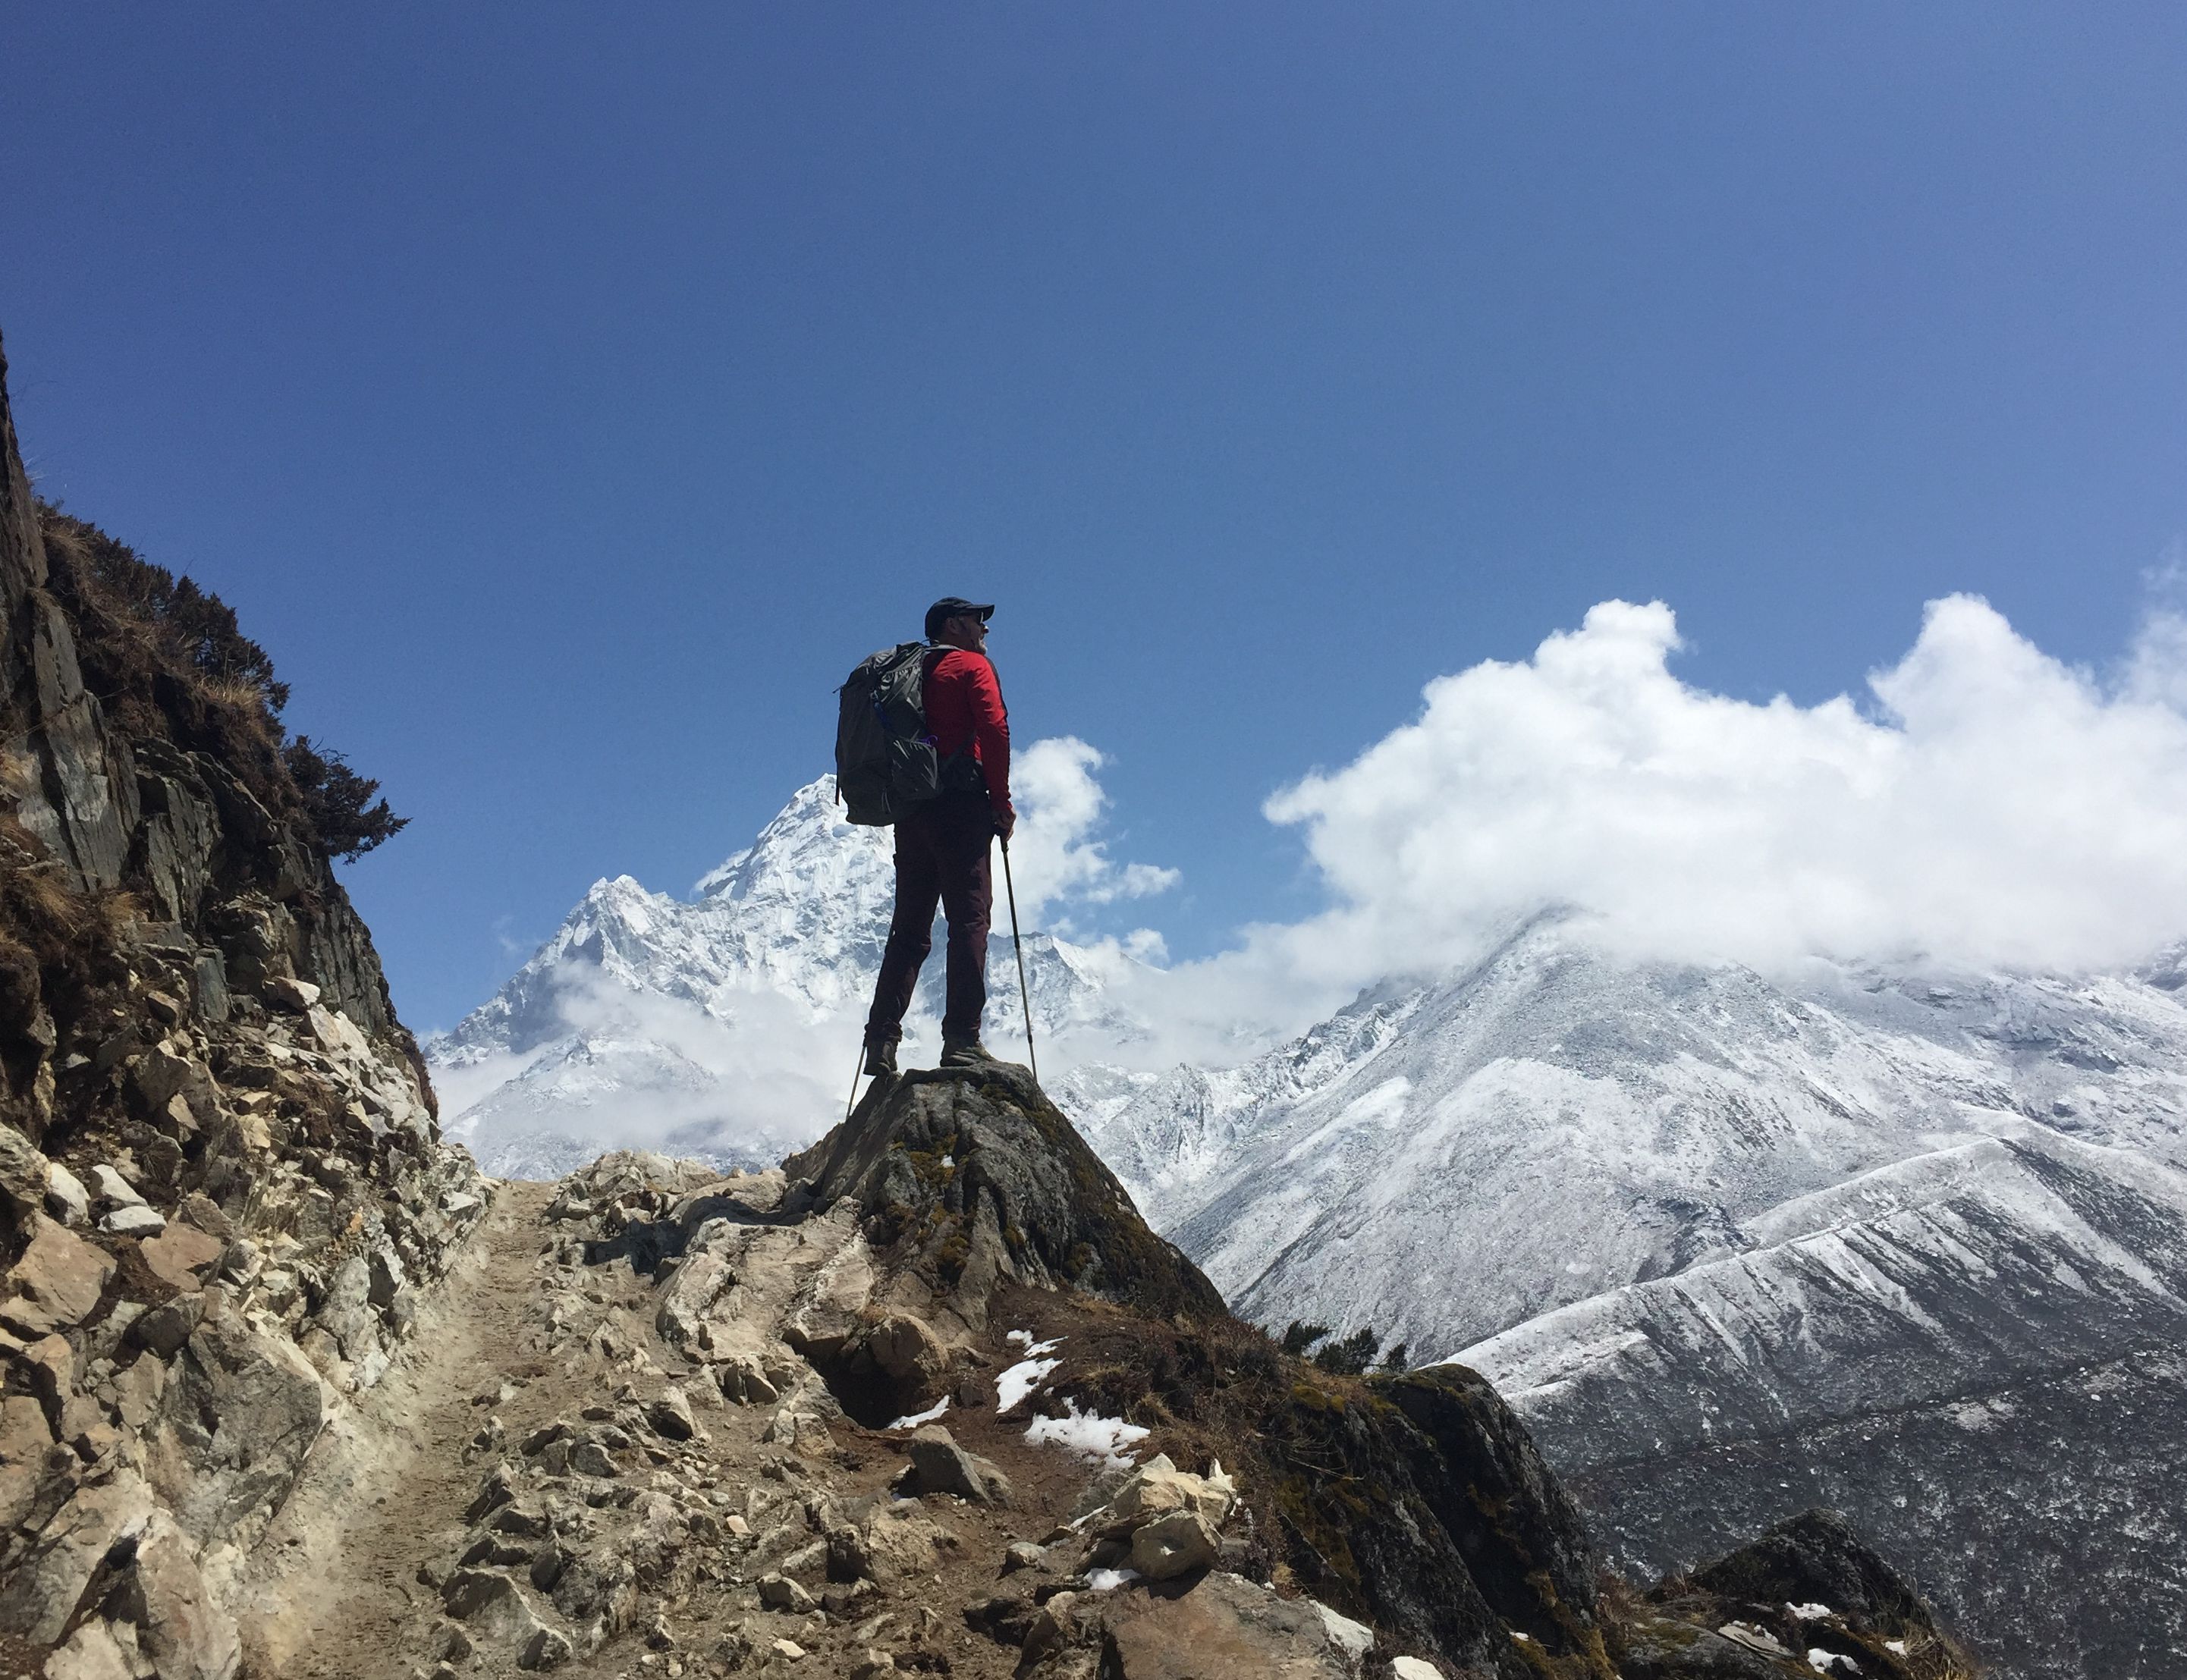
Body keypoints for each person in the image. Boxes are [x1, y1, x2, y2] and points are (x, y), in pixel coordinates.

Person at [861, 596, 1016, 1073]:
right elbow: (994, 728)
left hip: (911, 813)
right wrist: (1001, 803)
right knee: (969, 920)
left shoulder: (904, 675)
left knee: (909, 931)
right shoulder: (969, 666)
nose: (984, 633)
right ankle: (962, 1041)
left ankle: (882, 1041)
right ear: (953, 625)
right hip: (961, 807)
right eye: (977, 623)